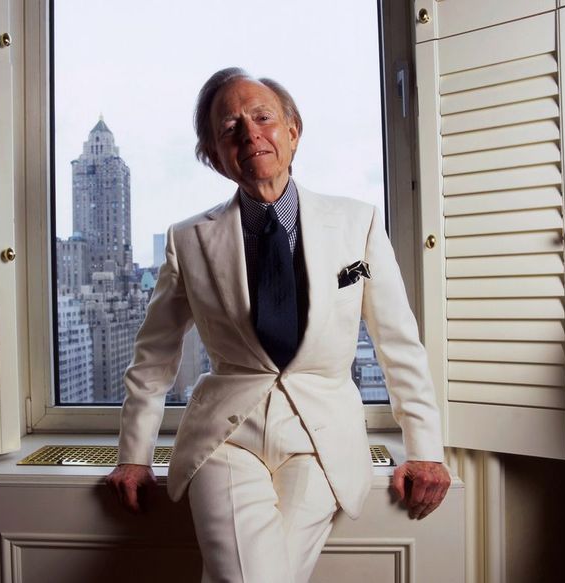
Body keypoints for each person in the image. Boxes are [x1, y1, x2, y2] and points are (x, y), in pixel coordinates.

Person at [106, 67, 450, 582]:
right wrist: (133, 456)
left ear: (292, 130)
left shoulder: (358, 224)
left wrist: (425, 450)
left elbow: (397, 342)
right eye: (230, 128)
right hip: (225, 440)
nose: (249, 132)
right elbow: (154, 359)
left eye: (262, 117)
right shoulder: (188, 241)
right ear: (215, 157)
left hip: (321, 441)